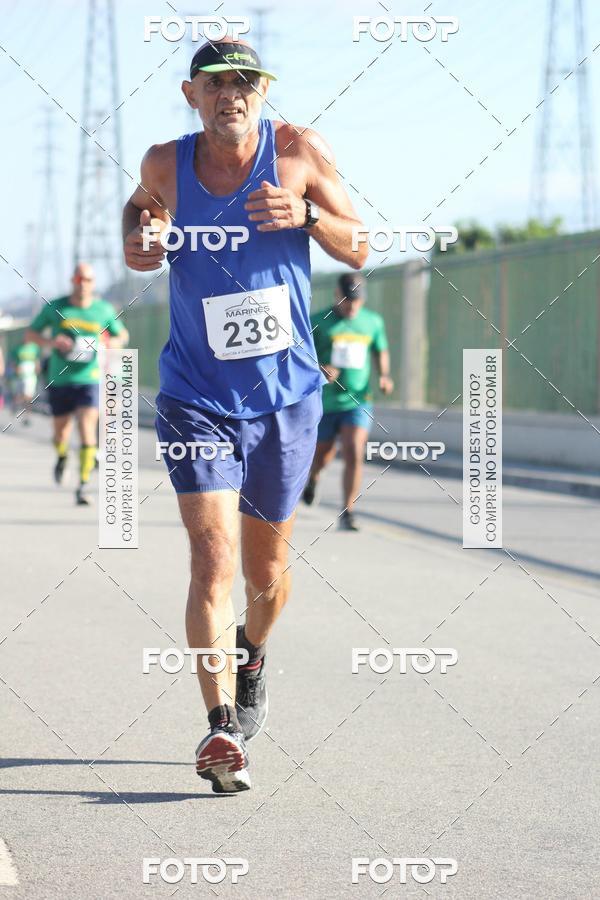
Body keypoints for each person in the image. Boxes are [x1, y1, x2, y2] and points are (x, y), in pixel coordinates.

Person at [123, 37, 367, 793]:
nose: (233, 94)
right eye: (217, 83)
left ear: (263, 92)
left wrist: (304, 218)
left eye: (247, 82)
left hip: (286, 398)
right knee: (212, 558)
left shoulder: (298, 151)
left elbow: (358, 246)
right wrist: (140, 240)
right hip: (196, 396)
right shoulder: (166, 161)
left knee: (266, 577)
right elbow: (139, 221)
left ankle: (251, 653)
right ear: (191, 94)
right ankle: (220, 728)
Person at [25, 263, 128, 505]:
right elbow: (30, 335)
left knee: (87, 427)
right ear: (73, 281)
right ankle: (61, 456)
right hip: (60, 378)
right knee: (61, 433)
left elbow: (122, 335)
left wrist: (110, 344)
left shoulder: (103, 309)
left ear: (93, 283)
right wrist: (51, 342)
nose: (83, 284)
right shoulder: (56, 307)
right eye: (79, 279)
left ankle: (83, 485)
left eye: (88, 280)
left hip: (89, 379)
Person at [303, 273, 393, 531]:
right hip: (325, 402)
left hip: (358, 400)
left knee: (354, 450)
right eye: (347, 301)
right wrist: (320, 369)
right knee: (322, 455)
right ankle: (313, 476)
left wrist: (385, 376)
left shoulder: (372, 322)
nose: (352, 306)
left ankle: (348, 512)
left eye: (357, 301)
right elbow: (299, 356)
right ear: (336, 295)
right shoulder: (318, 321)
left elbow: (380, 350)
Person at [8, 339, 41, 425]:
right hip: (19, 376)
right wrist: (15, 368)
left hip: (30, 376)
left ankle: (27, 416)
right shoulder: (17, 348)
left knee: (29, 397)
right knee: (18, 395)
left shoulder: (35, 348)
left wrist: (38, 369)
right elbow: (12, 361)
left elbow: (37, 360)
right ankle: (15, 404)